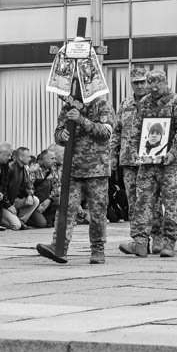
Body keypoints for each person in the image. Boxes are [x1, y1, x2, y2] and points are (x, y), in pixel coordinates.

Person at [38, 82, 116, 264]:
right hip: (72, 168)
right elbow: (58, 133)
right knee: (66, 208)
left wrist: (82, 120)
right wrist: (62, 135)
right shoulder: (68, 107)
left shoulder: (102, 105)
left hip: (96, 168)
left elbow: (105, 133)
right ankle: (59, 247)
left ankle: (98, 249)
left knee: (97, 211)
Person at [120, 69, 177, 258]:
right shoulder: (144, 103)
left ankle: (169, 242)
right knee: (142, 202)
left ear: (165, 83)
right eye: (150, 84)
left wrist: (174, 153)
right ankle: (140, 242)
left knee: (171, 203)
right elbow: (136, 130)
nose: (154, 88)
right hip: (148, 163)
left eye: (157, 84)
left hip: (170, 164)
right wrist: (135, 151)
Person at [111, 66, 148, 232]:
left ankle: (156, 235)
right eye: (136, 83)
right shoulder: (125, 104)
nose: (139, 86)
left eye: (142, 82)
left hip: (148, 160)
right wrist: (113, 155)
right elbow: (116, 131)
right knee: (132, 199)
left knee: (149, 199)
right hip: (128, 160)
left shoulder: (155, 103)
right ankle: (138, 236)